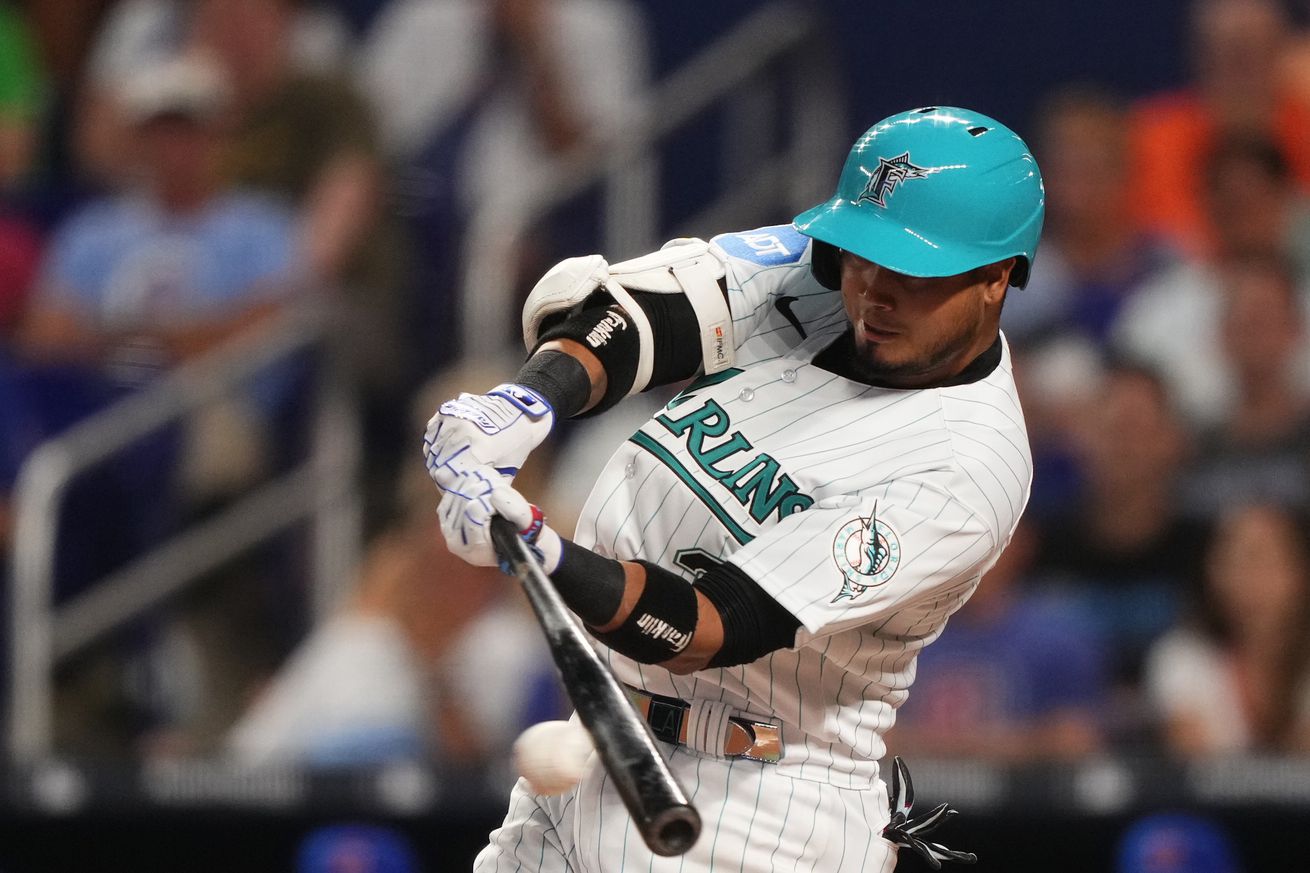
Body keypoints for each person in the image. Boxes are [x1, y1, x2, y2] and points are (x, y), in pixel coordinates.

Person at [423, 106, 1044, 870]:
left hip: (755, 808)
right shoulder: (827, 277)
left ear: (998, 276)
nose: (873, 291)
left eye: (911, 273)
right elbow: (645, 312)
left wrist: (541, 552)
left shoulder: (963, 465)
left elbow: (709, 627)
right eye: (861, 254)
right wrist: (524, 403)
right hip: (602, 745)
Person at [1144, 503, 1310, 755]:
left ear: (1300, 571)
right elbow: (1197, 764)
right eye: (1234, 560)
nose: (1250, 578)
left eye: (1263, 558)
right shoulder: (1183, 656)